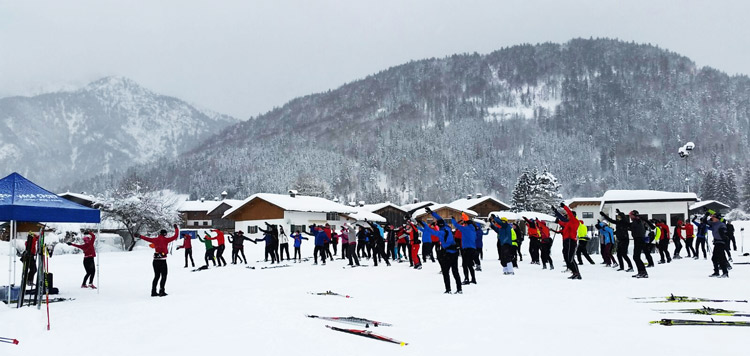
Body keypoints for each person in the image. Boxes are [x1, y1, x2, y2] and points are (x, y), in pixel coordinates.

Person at [136, 225, 179, 297]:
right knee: (164, 276)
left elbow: (147, 238)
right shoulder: (166, 240)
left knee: (156, 276)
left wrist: (140, 236)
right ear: (165, 234)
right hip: (162, 261)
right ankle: (162, 291)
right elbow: (175, 236)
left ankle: (153, 292)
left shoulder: (155, 240)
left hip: (155, 261)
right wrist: (176, 228)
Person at [427, 207, 461, 294]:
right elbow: (440, 219)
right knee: (455, 271)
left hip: (448, 253)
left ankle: (448, 289)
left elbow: (431, 231)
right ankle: (459, 289)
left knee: (446, 272)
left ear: (439, 225)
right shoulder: (447, 228)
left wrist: (424, 225)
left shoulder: (441, 233)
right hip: (455, 252)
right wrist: (432, 212)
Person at [551, 203, 581, 280]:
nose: (567, 216)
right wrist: (556, 212)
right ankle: (575, 272)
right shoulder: (568, 222)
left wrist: (564, 206)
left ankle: (576, 273)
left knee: (570, 258)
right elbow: (562, 220)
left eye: (568, 215)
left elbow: (568, 214)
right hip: (567, 241)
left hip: (571, 240)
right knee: (567, 258)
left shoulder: (574, 221)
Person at [451, 214, 477, 284]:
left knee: (464, 265)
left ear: (466, 224)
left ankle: (466, 279)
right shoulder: (473, 230)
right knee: (470, 265)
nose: (463, 225)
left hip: (466, 249)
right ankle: (473, 279)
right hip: (473, 248)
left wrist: (453, 219)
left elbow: (456, 225)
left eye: (463, 223)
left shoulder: (465, 229)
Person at [705, 213, 729, 278]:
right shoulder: (713, 224)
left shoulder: (721, 224)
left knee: (721, 258)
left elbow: (725, 232)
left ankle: (725, 272)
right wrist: (706, 215)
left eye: (713, 217)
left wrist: (723, 235)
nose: (712, 218)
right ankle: (716, 272)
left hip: (721, 243)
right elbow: (705, 221)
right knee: (714, 258)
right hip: (716, 242)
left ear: (717, 218)